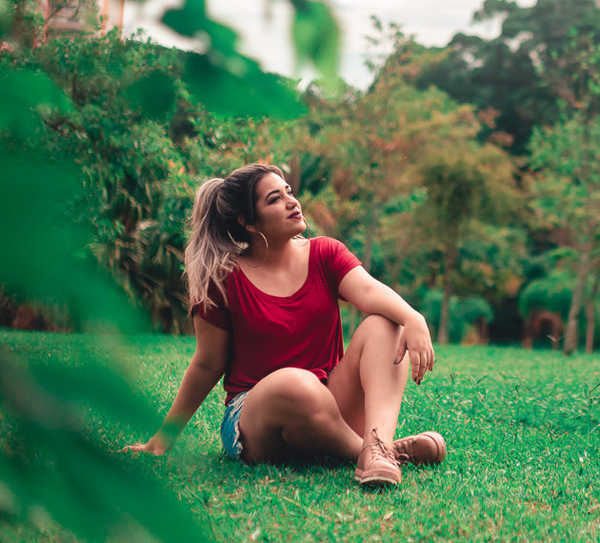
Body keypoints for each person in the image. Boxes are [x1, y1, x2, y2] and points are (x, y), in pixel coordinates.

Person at [124, 163, 444, 487]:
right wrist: (162, 440)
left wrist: (413, 318)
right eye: (275, 199)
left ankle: (378, 446)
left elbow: (369, 292)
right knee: (294, 384)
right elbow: (207, 365)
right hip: (258, 422)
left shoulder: (325, 254)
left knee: (388, 324)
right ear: (248, 222)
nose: (293, 202)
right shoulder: (223, 279)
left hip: (328, 404)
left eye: (289, 192)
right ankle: (374, 451)